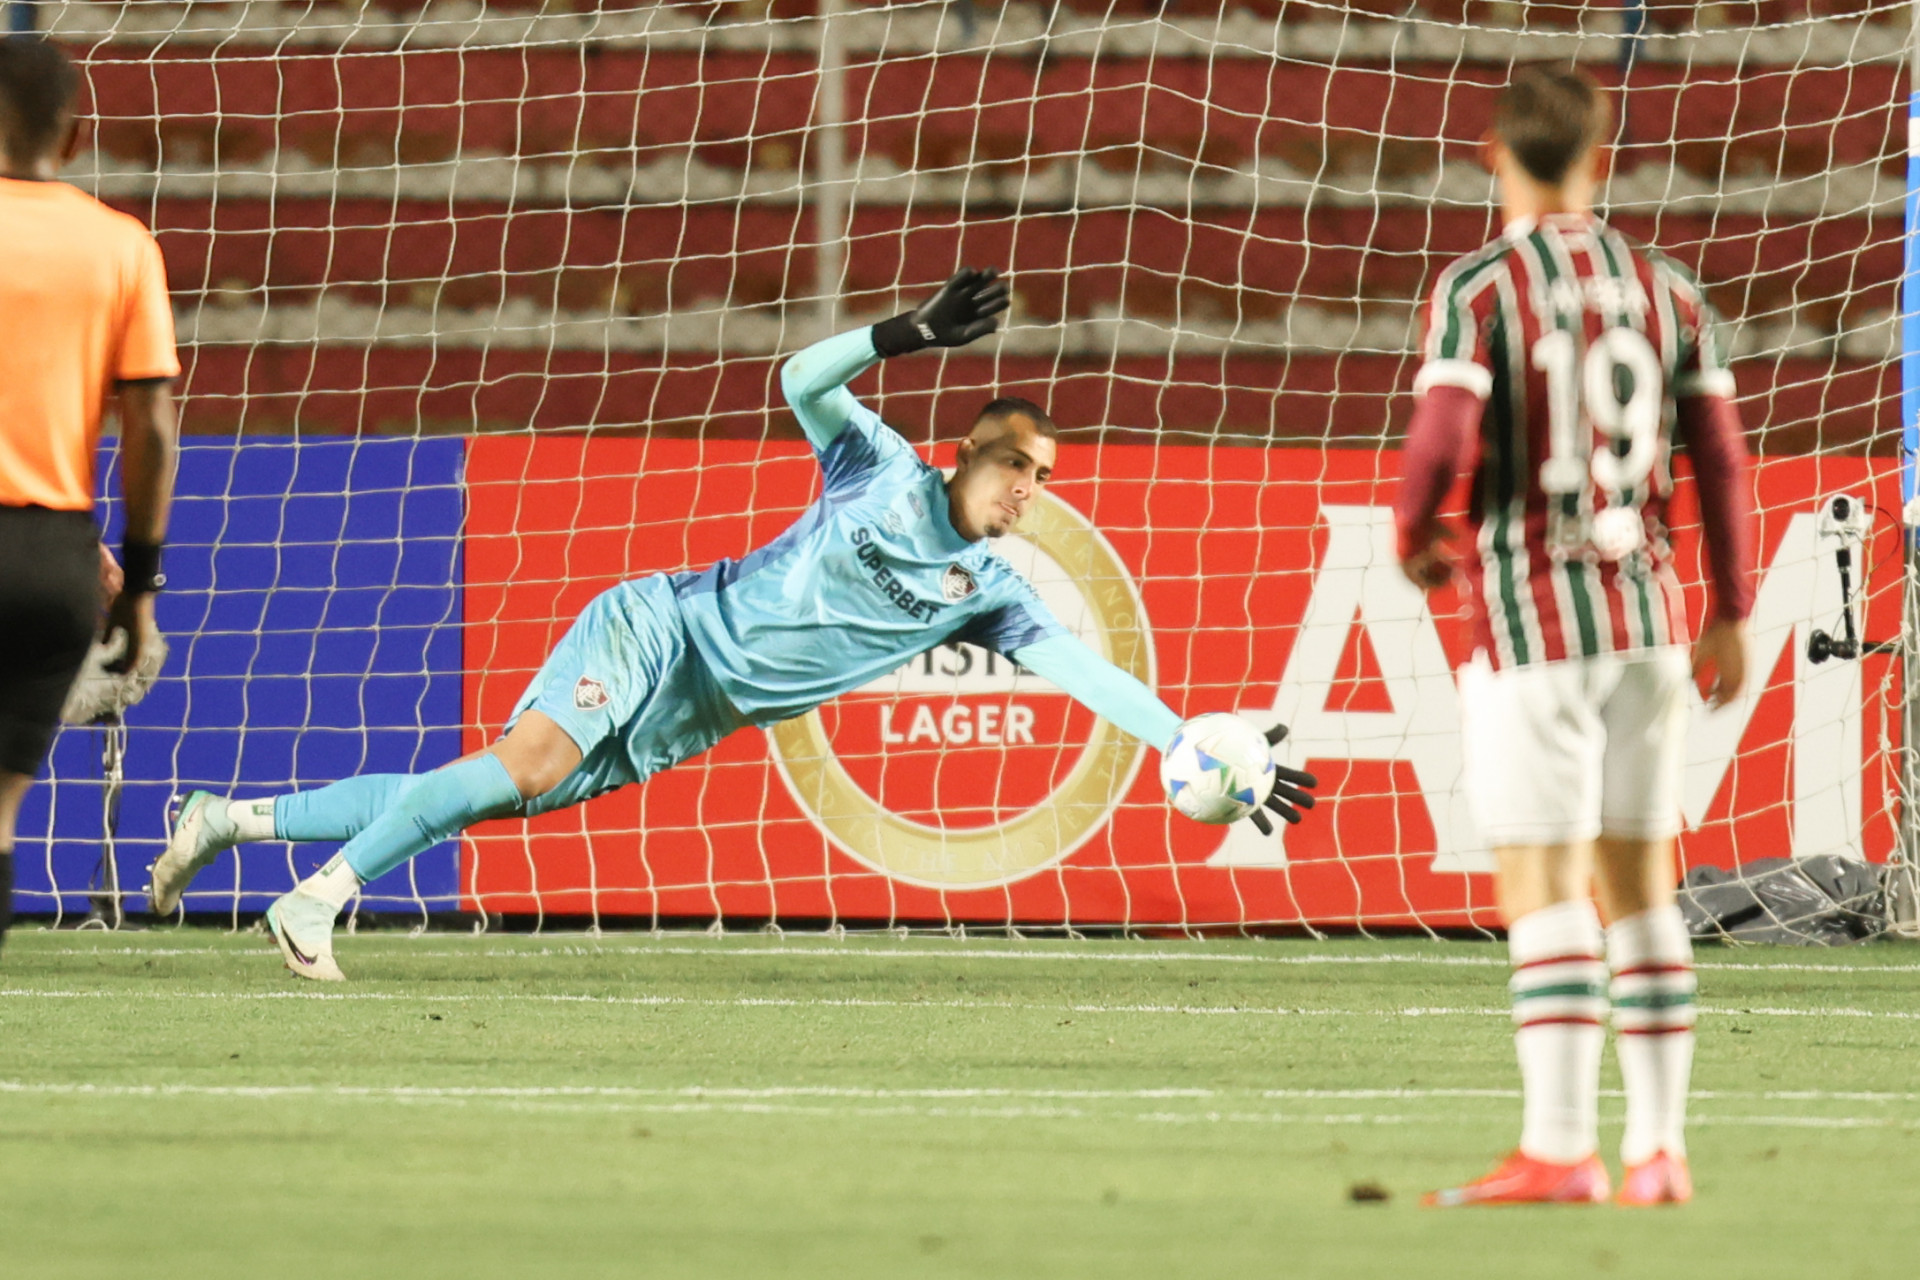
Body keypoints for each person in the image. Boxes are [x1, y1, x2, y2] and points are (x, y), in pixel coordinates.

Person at [151, 268, 1318, 979]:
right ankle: (312, 901)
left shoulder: (997, 592)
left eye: (1047, 477)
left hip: (694, 716)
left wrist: (1180, 738)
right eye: (1020, 463)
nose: (1032, 488)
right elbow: (802, 379)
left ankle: (229, 817)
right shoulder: (880, 466)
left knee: (491, 784)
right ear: (972, 450)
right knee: (524, 760)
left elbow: (1079, 666)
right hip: (662, 628)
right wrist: (905, 333)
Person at [1395, 65, 1754, 1207]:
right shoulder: (1668, 286)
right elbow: (1724, 458)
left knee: (1540, 880)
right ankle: (1660, 1148)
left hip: (1533, 615)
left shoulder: (1483, 286)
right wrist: (1733, 607)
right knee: (1642, 883)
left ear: (1494, 147)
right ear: (1602, 150)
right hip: (1648, 617)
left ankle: (1559, 1145)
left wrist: (1414, 533)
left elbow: (1442, 432)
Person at [0, 36, 179, 952]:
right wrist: (137, 582)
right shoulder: (121, 246)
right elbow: (149, 427)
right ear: (72, 140)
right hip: (51, 564)